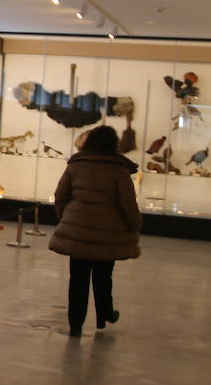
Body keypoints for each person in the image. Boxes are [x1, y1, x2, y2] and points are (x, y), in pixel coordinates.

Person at [48, 125, 142, 337]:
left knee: (78, 279)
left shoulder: (76, 165)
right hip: (106, 234)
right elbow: (127, 203)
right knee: (103, 277)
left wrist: (67, 219)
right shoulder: (119, 169)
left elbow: (60, 195)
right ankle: (104, 315)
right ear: (113, 144)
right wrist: (135, 224)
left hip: (78, 232)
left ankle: (76, 325)